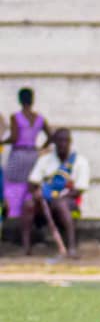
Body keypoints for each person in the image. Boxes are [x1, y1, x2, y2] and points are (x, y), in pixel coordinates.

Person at [25, 128, 87, 260]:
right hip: (45, 202)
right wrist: (37, 192)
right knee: (28, 204)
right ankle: (26, 248)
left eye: (65, 141)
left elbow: (79, 189)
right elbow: (33, 182)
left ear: (70, 142)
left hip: (70, 204)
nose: (62, 144)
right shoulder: (45, 160)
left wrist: (58, 198)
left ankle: (71, 248)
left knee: (61, 204)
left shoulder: (79, 161)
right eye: (59, 141)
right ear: (54, 143)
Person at [4, 87, 51, 238]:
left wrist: (2, 141)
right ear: (32, 99)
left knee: (12, 185)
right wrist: (41, 148)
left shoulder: (15, 117)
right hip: (33, 155)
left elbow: (14, 138)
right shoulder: (40, 118)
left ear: (19, 100)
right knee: (30, 188)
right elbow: (51, 135)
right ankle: (30, 225)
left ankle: (15, 217)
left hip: (18, 154)